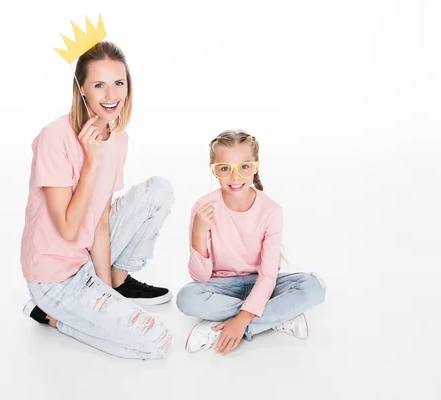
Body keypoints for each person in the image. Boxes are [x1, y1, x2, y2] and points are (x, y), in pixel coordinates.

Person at [20, 41, 173, 359]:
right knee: (157, 343)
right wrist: (91, 163)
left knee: (159, 190)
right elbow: (67, 228)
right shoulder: (55, 137)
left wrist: (105, 289)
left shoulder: (118, 139)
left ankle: (118, 282)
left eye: (119, 83)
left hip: (86, 257)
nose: (112, 95)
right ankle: (52, 317)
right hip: (55, 277)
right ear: (82, 90)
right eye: (99, 85)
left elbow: (100, 220)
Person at [176, 130, 326, 355]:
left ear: (255, 166)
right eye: (225, 168)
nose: (235, 177)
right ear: (214, 170)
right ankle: (275, 318)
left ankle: (226, 326)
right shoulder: (203, 207)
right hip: (221, 285)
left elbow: (268, 276)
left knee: (313, 286)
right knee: (186, 298)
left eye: (244, 167)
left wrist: (242, 319)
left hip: (263, 283)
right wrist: (198, 232)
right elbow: (200, 277)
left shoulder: (271, 211)